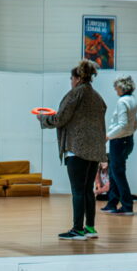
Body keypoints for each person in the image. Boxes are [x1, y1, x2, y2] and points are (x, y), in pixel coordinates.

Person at [38, 60, 108, 240]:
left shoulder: (74, 94)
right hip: (94, 150)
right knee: (87, 191)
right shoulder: (97, 96)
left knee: (77, 191)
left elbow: (60, 118)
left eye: (71, 78)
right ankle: (90, 228)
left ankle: (77, 230)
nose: (70, 81)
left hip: (77, 149)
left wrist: (43, 119)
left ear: (77, 78)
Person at [102, 75, 137, 216]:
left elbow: (123, 125)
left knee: (118, 174)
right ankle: (112, 203)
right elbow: (135, 124)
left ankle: (127, 206)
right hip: (127, 141)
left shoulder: (122, 101)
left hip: (118, 142)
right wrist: (128, 135)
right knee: (114, 173)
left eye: (116, 87)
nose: (114, 89)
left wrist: (108, 136)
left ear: (122, 87)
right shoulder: (133, 100)